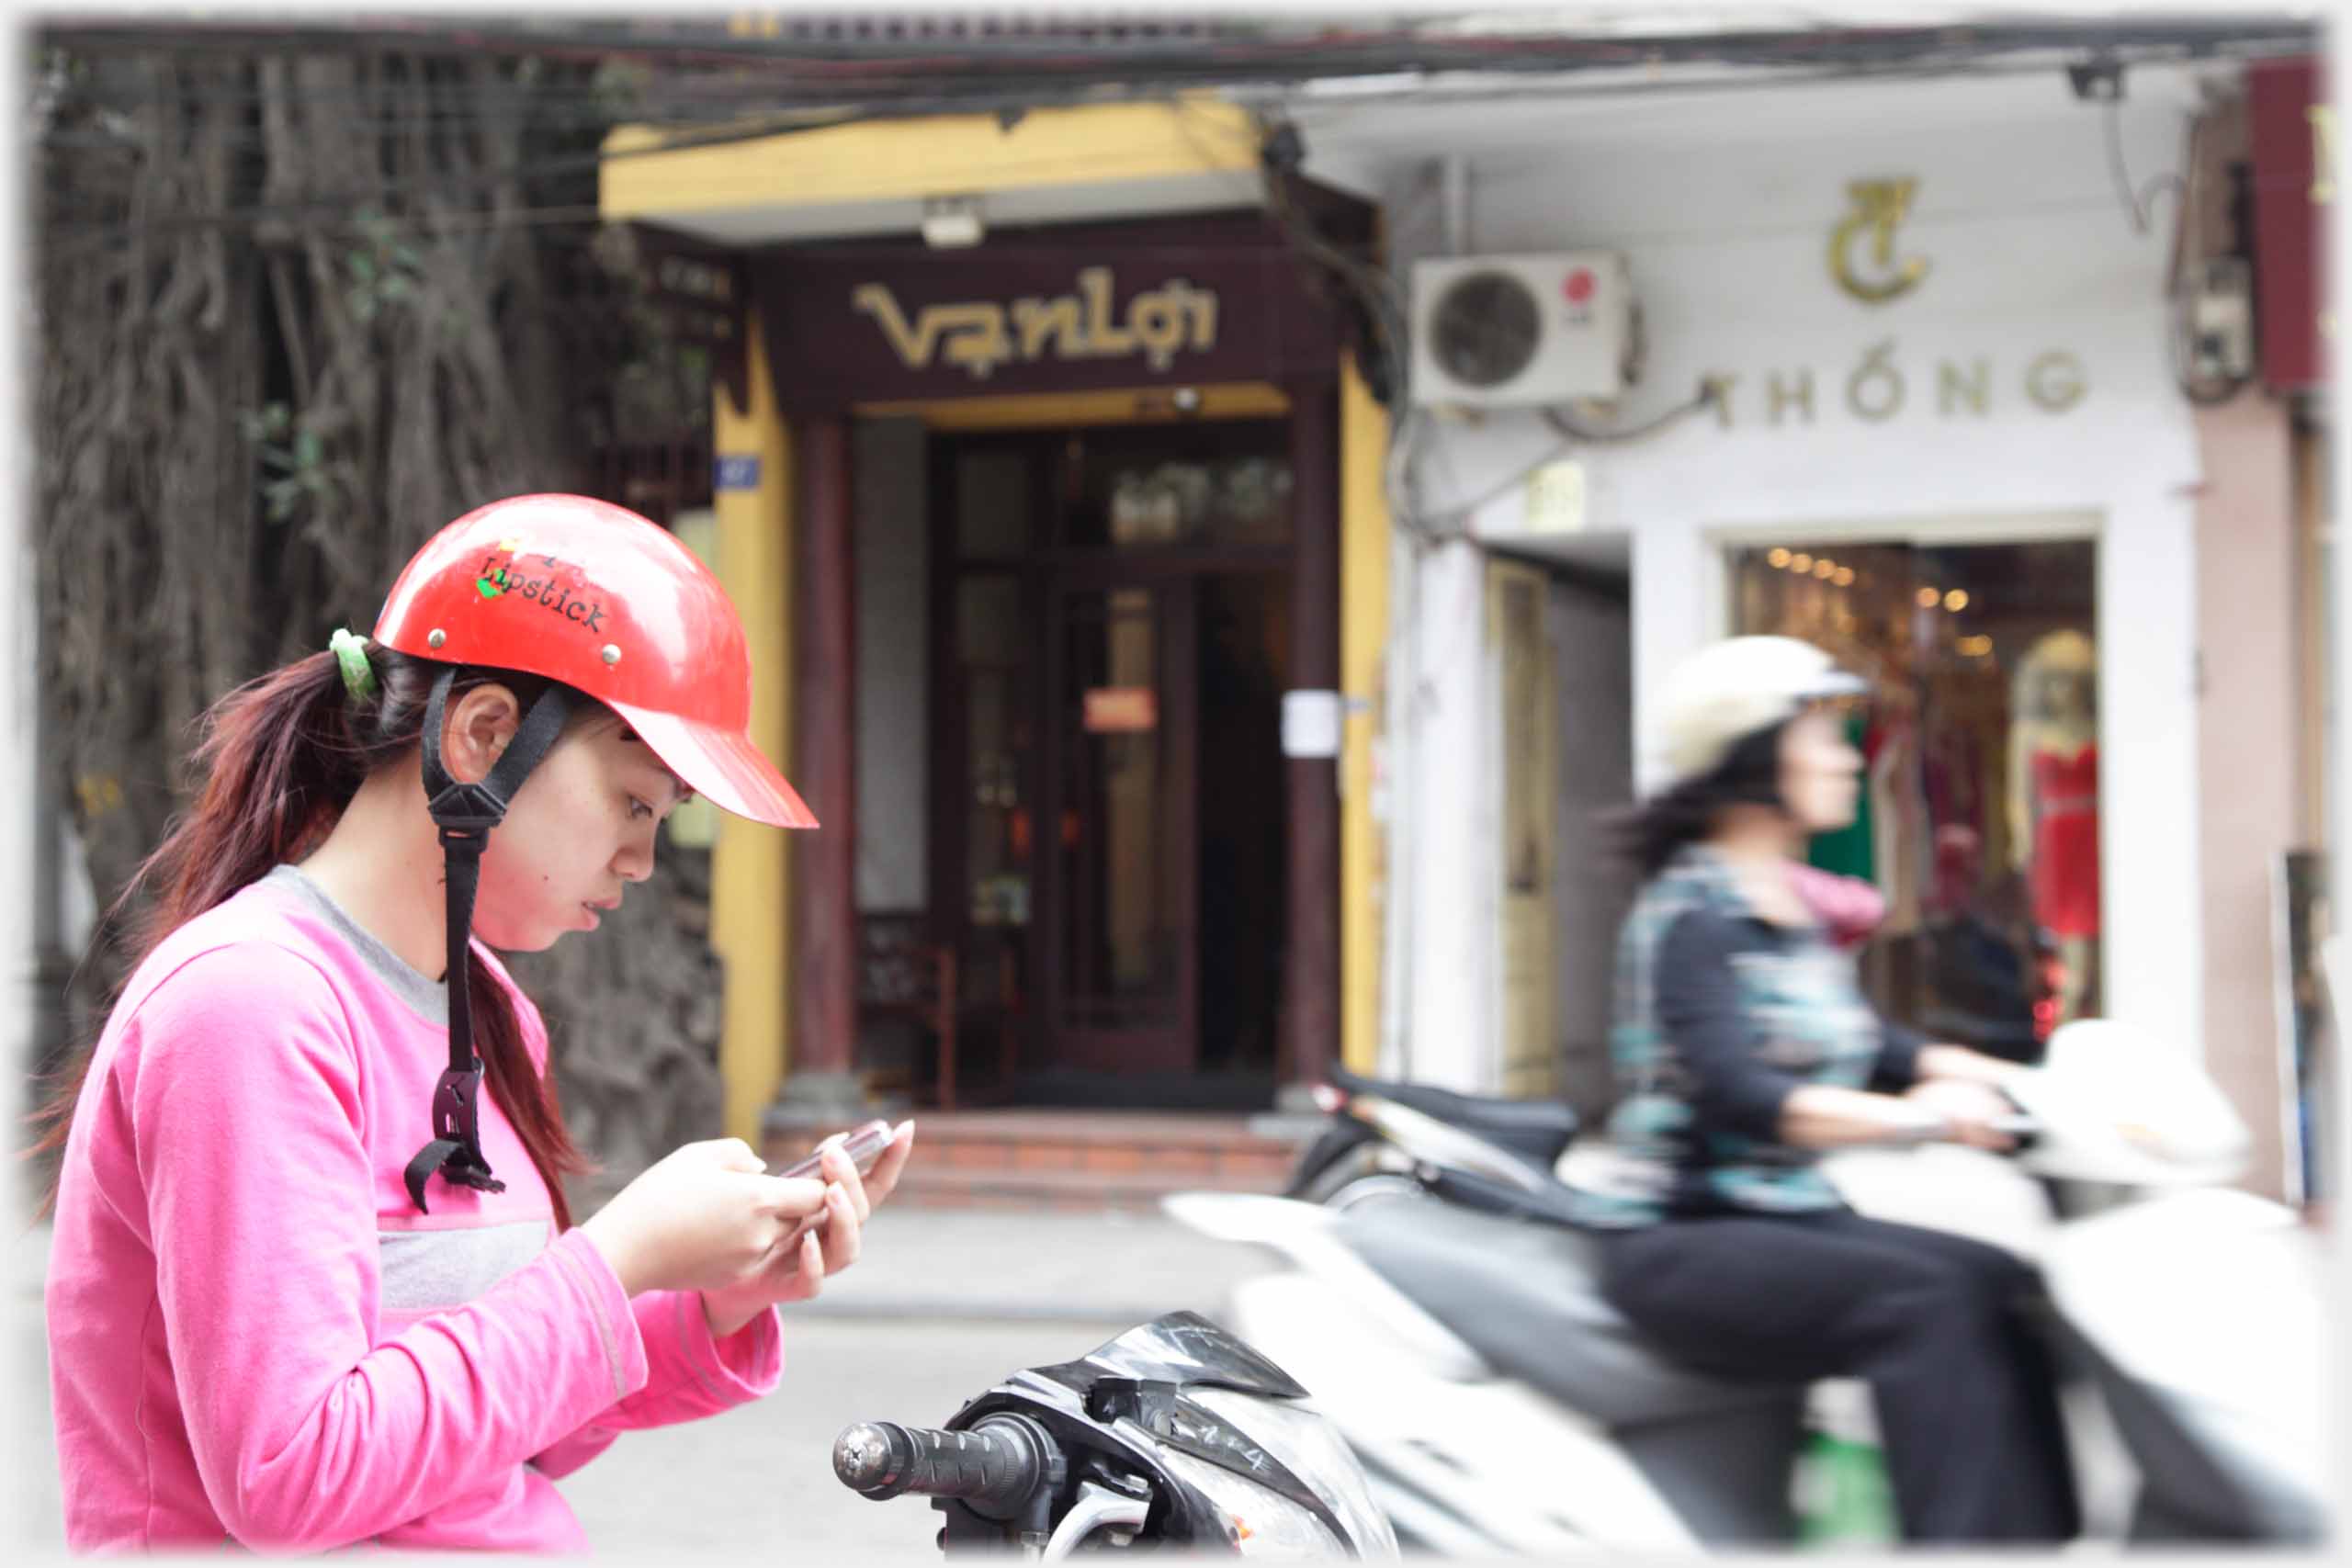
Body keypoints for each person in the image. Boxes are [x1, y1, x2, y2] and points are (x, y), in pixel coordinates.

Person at [34, 494, 918, 1552]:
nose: (642, 861)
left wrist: (710, 1298)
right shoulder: (251, 1008)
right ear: (483, 733)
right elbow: (293, 1474)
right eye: (635, 804)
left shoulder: (483, 1005)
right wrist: (616, 1259)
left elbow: (496, 1429)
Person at [1579, 635, 2079, 1544]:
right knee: (1926, 1304)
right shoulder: (1693, 914)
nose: (1852, 758)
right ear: (1752, 756)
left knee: (2005, 1282)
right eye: (1822, 737)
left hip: (1785, 1216)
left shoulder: (1782, 905)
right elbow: (1741, 1091)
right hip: (1687, 1235)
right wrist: (1931, 1123)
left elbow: (1881, 1048)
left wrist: (2054, 1083)